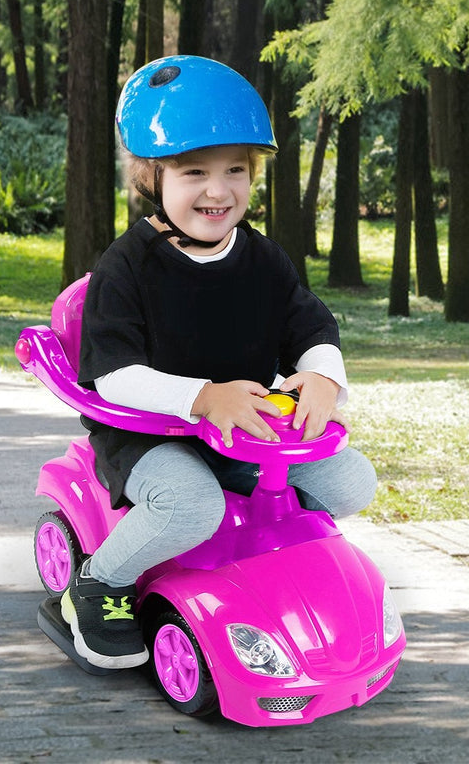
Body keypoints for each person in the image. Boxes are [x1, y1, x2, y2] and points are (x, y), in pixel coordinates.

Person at [61, 54, 378, 670]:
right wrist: (204, 397)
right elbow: (114, 375)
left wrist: (319, 373)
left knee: (350, 479)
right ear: (152, 176)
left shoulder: (262, 259)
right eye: (194, 171)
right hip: (151, 434)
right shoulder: (127, 268)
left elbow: (310, 323)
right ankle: (100, 582)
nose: (218, 189)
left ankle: (266, 554)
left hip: (242, 432)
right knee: (190, 505)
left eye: (236, 169)